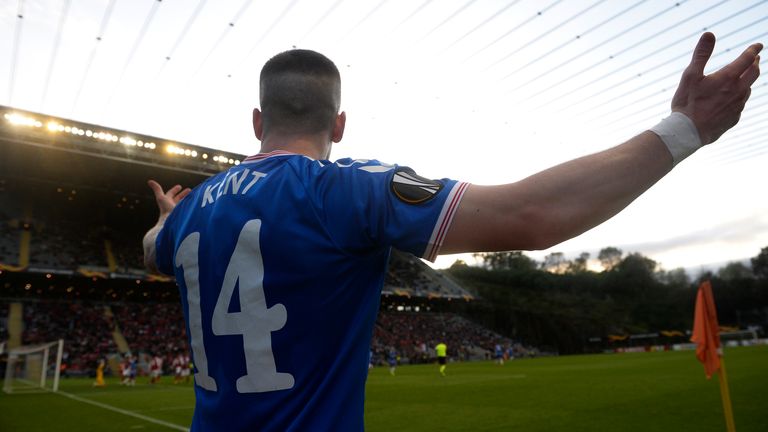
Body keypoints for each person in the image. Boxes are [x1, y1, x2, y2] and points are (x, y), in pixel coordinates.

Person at [143, 33, 761, 431]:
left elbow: (152, 252)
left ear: (256, 120)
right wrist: (685, 129)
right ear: (340, 121)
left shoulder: (195, 209)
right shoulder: (344, 190)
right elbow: (532, 215)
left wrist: (168, 220)